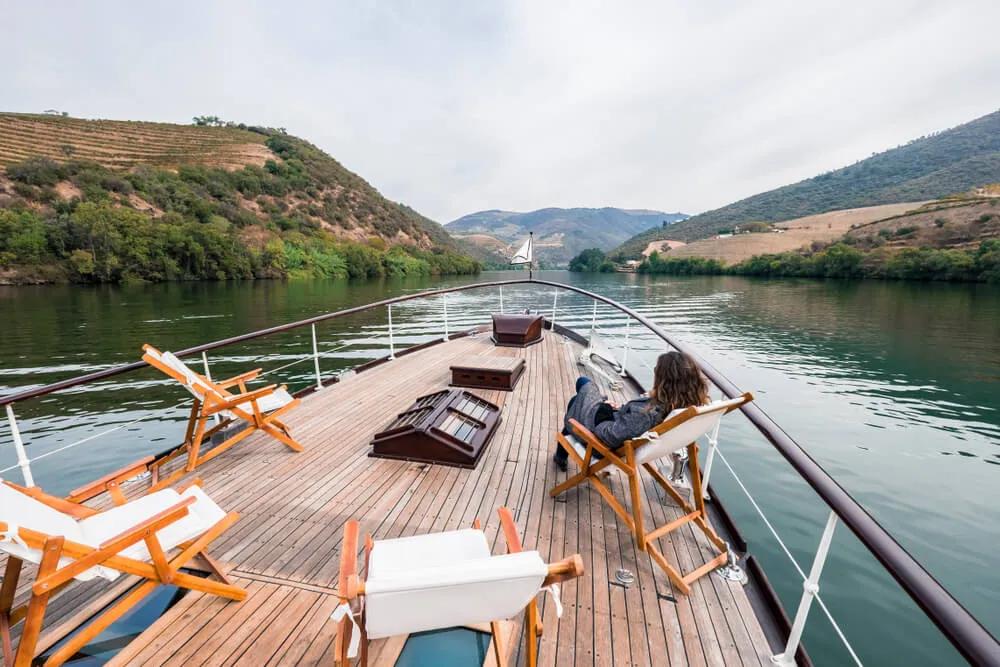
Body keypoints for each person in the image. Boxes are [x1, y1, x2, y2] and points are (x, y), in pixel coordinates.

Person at [553, 351, 709, 471]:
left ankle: (561, 454)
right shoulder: (679, 406)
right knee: (582, 393)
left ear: (665, 380)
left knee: (581, 390)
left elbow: (609, 436)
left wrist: (605, 407)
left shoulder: (647, 413)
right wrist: (620, 409)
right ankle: (561, 455)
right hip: (616, 424)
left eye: (657, 370)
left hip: (600, 440)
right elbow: (629, 425)